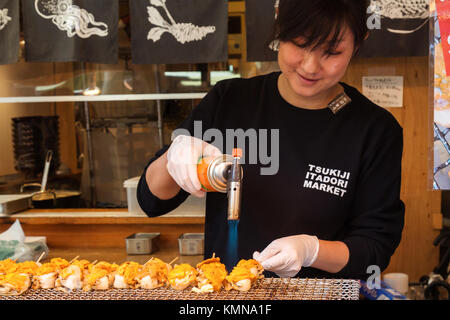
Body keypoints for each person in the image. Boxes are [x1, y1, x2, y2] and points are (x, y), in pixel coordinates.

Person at [137, 0, 405, 280]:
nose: (311, 66)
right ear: (279, 28)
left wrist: (311, 250)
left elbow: (375, 248)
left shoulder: (375, 130)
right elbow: (151, 201)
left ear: (358, 43)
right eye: (300, 43)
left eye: (332, 52)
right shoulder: (230, 101)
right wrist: (172, 159)